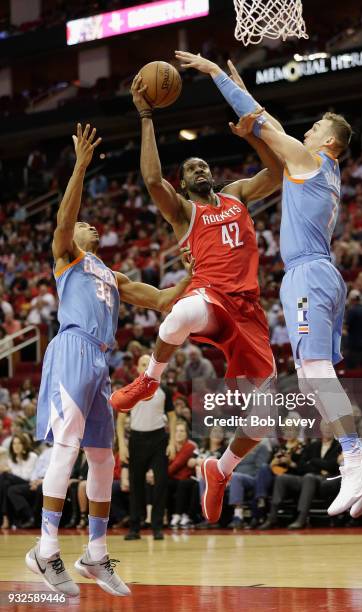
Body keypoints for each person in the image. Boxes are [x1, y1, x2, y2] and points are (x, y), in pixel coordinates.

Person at [174, 51, 362, 521]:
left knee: (314, 373)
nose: (306, 131)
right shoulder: (327, 173)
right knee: (314, 375)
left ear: (329, 139)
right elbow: (263, 130)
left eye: (313, 128)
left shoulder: (312, 158)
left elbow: (261, 120)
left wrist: (216, 76)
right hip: (325, 274)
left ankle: (355, 457)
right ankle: (358, 459)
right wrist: (249, 113)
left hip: (308, 274)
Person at [28, 123, 194, 598]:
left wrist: (191, 277)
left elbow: (162, 300)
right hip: (71, 349)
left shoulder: (111, 273)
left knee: (104, 459)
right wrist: (80, 164)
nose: (90, 224)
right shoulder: (68, 257)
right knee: (66, 449)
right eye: (85, 223)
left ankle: (95, 556)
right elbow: (64, 221)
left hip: (100, 359)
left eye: (89, 224)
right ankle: (45, 550)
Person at [110, 74, 284, 523]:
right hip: (211, 298)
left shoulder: (237, 194)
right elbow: (151, 178)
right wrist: (146, 115)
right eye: (191, 169)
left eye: (203, 165)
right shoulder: (185, 212)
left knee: (266, 416)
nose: (200, 170)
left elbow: (278, 172)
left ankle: (220, 468)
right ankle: (150, 379)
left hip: (250, 312)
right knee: (181, 312)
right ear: (184, 184)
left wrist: (255, 134)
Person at [116, 354, 176, 541]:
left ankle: (157, 526)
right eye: (142, 364)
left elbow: (172, 417)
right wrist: (122, 446)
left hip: (158, 439)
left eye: (148, 364)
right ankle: (135, 527)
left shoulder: (163, 390)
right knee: (136, 484)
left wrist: (172, 442)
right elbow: (120, 420)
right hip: (136, 439)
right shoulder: (130, 390)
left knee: (160, 483)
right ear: (137, 367)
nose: (145, 367)